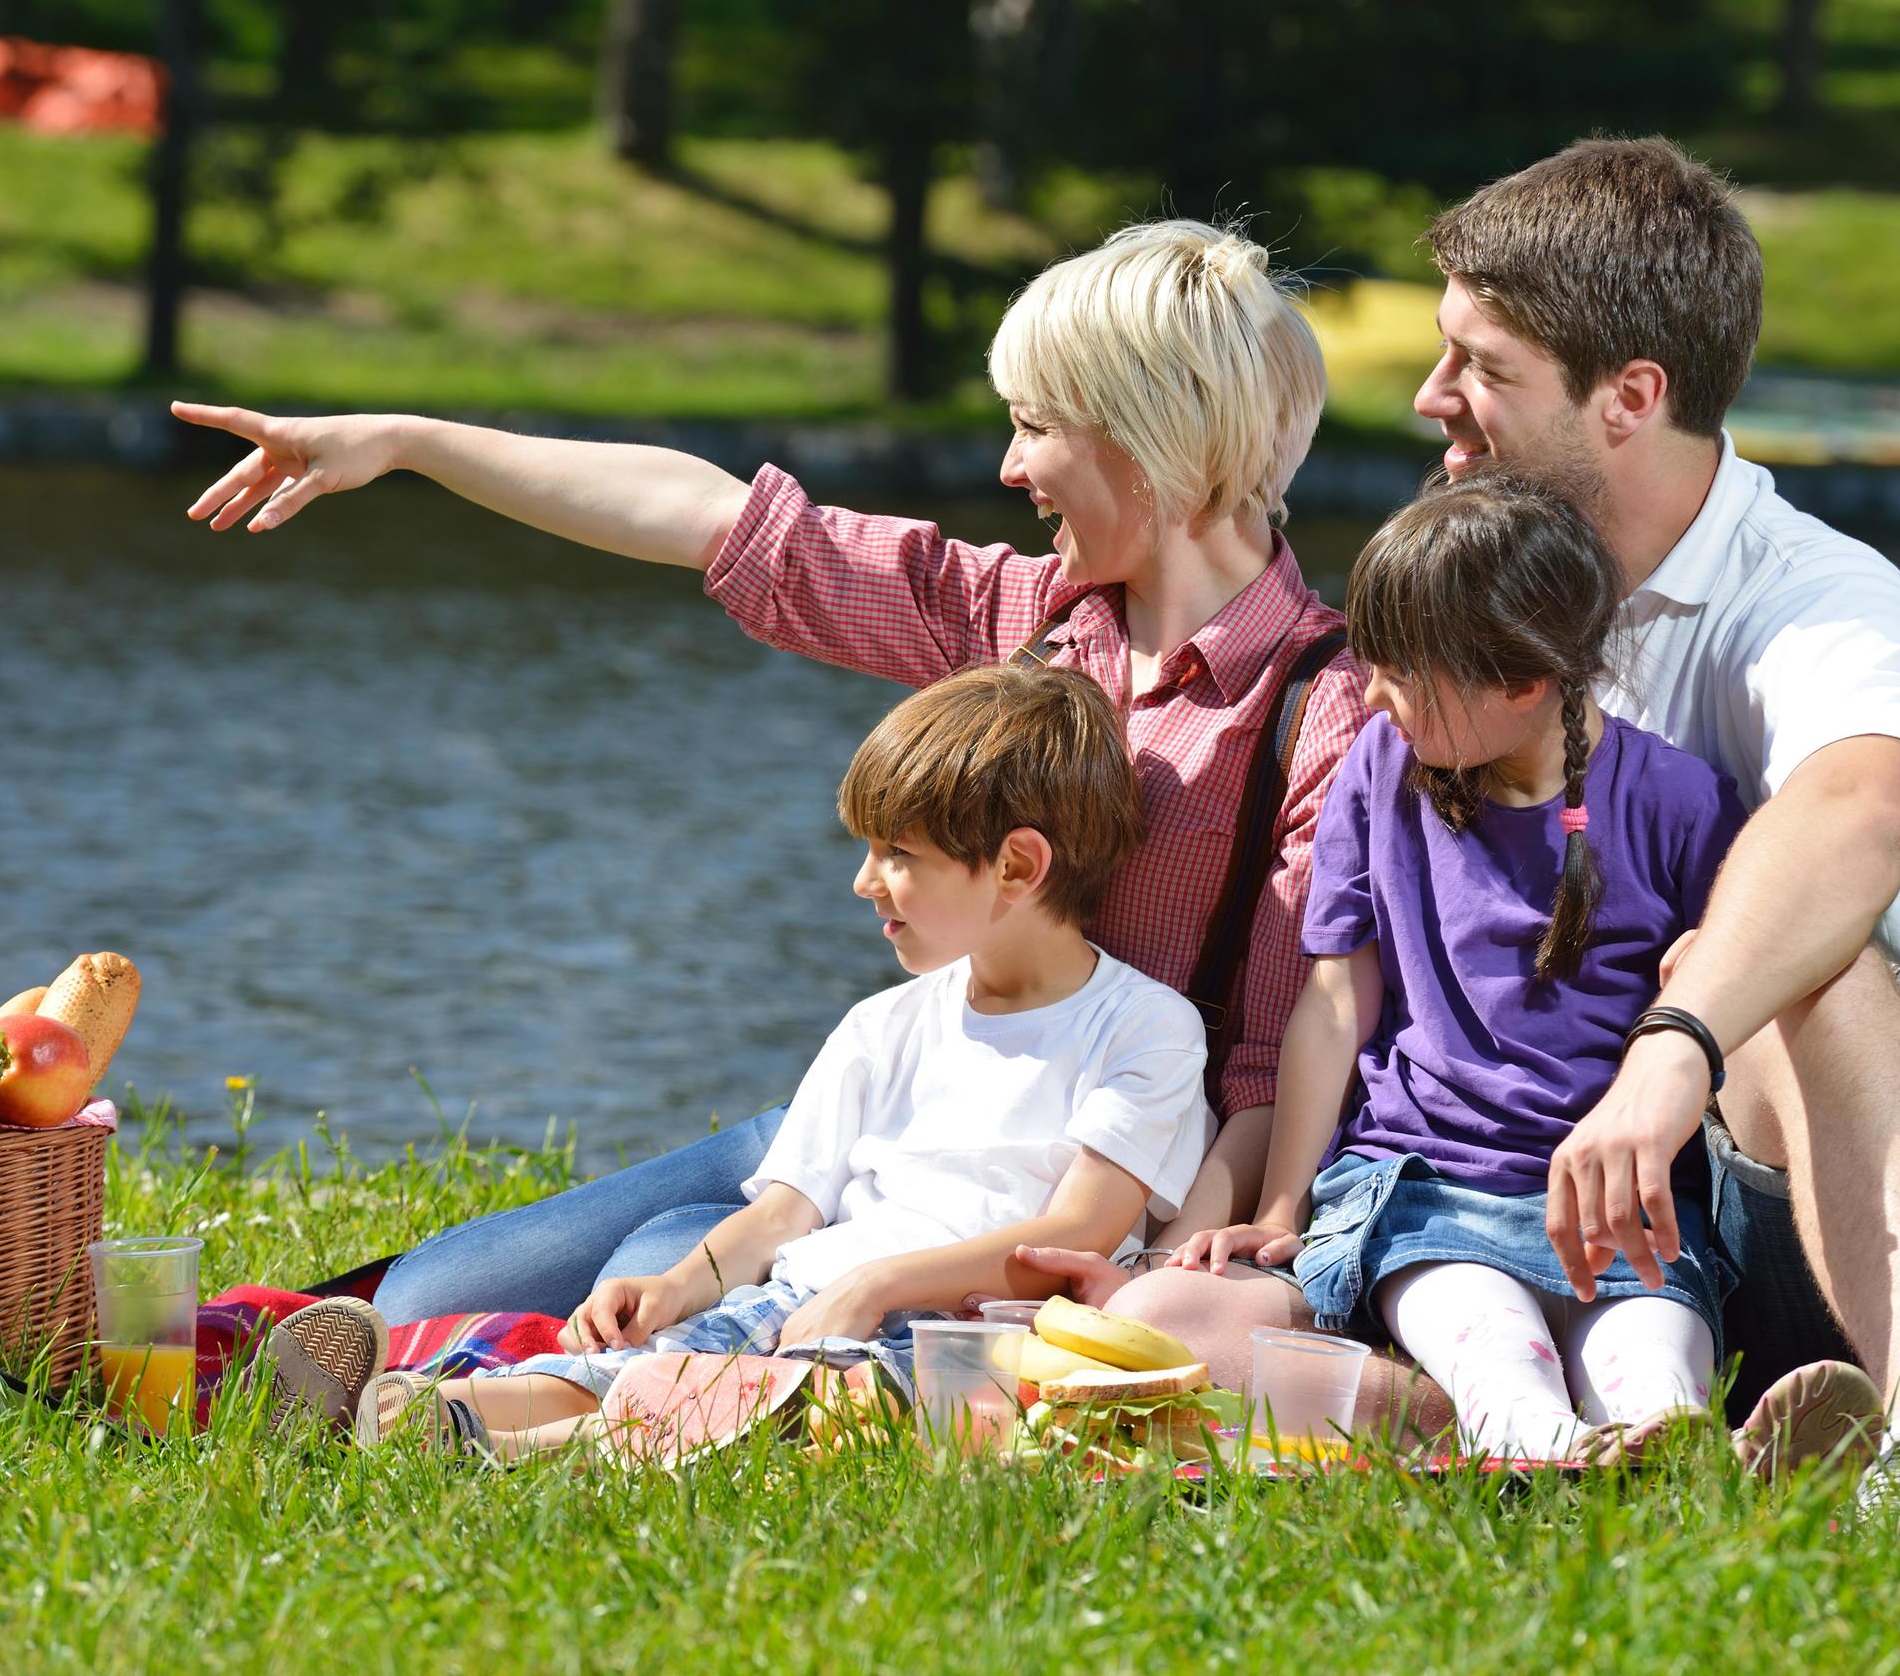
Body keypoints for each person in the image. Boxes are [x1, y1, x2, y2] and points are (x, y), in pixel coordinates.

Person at [1026, 138, 1900, 1535]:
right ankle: (1525, 1429)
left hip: (1799, 1199)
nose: (1433, 397)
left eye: (1480, 366)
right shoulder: (1464, 592)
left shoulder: (1818, 598)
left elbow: (1861, 813)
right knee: (1180, 1315)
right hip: (1491, 1188)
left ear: (1630, 397)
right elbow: (1340, 971)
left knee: (1804, 951)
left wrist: (1672, 1051)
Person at [172, 217, 1367, 1328]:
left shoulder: (1326, 705)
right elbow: (716, 519)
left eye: (1037, 423)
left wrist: (1159, 1286)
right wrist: (408, 443)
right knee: (423, 1295)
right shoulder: (1020, 617)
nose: (1009, 466)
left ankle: (626, 1356)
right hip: (895, 1123)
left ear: (1150, 436)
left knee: (673, 1266)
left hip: (1062, 1180)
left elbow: (1271, 1057)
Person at [265, 664, 1215, 1456]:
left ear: (1015, 866)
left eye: (897, 854)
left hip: (968, 1335)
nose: (863, 880)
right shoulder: (883, 1024)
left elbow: (1081, 1231)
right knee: (623, 1367)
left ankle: (481, 1444)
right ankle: (411, 1416)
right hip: (811, 1294)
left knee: (803, 1407)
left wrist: (880, 1284)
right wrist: (674, 1285)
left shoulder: (1143, 1026)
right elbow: (784, 1212)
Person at [1176, 473, 1747, 1461]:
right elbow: (1331, 1001)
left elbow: (1721, 998)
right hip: (1426, 1190)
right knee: (1496, 1359)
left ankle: (1686, 1452)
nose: (1370, 694)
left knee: (1650, 1365)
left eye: (1400, 673)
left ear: (1523, 683)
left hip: (1619, 1214)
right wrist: (1283, 1205)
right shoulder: (1378, 770)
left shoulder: (1681, 802)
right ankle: (1545, 1449)